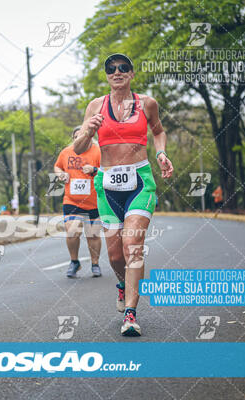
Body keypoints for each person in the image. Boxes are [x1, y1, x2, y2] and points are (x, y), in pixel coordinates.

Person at [74, 53, 174, 336]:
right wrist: (88, 131)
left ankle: (130, 314)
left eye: (123, 68)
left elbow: (158, 132)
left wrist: (162, 153)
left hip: (140, 182)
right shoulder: (95, 106)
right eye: (111, 69)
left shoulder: (147, 104)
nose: (117, 72)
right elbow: (80, 147)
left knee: (133, 245)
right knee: (115, 255)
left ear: (131, 74)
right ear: (106, 75)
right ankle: (122, 285)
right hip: (107, 186)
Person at [54, 125, 103, 278]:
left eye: (82, 136)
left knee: (93, 235)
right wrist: (61, 174)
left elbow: (109, 170)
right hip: (71, 200)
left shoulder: (98, 151)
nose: (78, 140)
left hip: (94, 200)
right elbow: (57, 167)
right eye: (76, 137)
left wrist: (94, 170)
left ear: (89, 137)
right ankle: (74, 262)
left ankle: (95, 264)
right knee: (72, 232)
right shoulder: (66, 152)